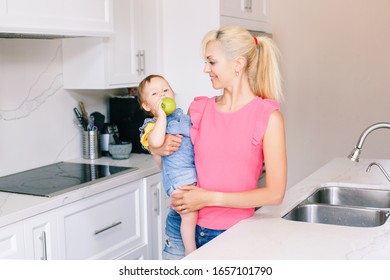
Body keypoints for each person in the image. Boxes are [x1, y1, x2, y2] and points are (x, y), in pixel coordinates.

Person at [149, 26, 287, 260]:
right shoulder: (199, 109)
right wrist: (158, 149)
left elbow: (275, 194)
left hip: (231, 234)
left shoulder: (267, 117)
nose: (206, 69)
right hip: (181, 226)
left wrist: (209, 198)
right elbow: (170, 164)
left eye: (212, 62)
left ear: (238, 64)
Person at [138, 74, 198, 256]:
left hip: (192, 172)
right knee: (189, 214)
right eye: (155, 93)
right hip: (177, 178)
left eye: (166, 90)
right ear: (147, 106)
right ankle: (190, 250)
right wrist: (162, 117)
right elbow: (155, 142)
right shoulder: (152, 125)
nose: (162, 95)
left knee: (193, 210)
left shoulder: (183, 117)